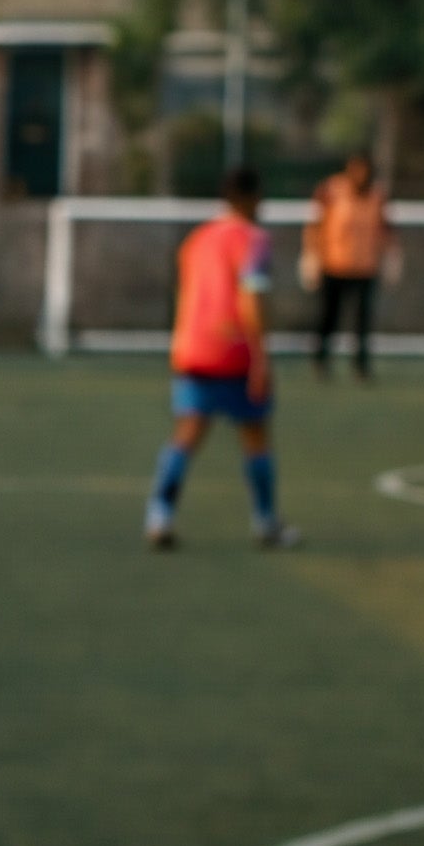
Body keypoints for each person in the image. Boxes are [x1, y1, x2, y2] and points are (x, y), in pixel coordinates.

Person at [145, 163, 288, 548]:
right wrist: (261, 356)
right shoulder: (254, 239)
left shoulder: (197, 239)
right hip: (235, 349)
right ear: (251, 197)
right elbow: (251, 297)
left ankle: (159, 516)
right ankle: (266, 522)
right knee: (256, 437)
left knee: (186, 435)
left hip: (192, 349)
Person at [304, 147, 392, 379]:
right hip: (334, 265)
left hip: (365, 267)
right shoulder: (331, 190)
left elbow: (385, 229)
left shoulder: (377, 195)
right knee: (328, 317)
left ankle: (361, 366)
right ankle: (321, 361)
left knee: (362, 321)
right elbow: (314, 225)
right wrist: (311, 257)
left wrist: (391, 258)